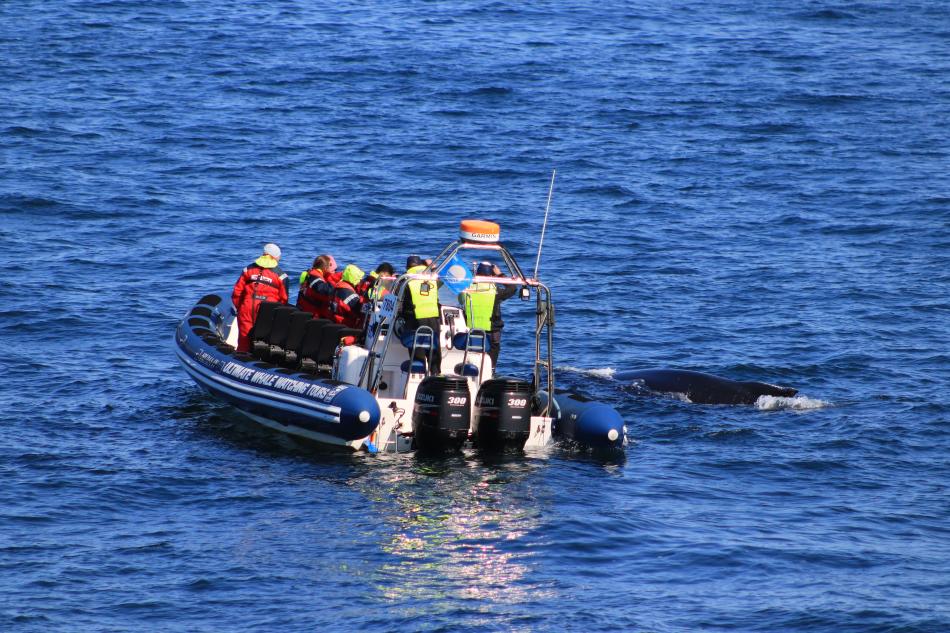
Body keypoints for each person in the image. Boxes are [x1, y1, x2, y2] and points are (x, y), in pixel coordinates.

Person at [458, 261, 518, 367]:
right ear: (491, 276)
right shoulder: (494, 291)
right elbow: (512, 288)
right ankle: (490, 370)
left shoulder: (466, 290)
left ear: (476, 274)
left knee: (473, 353)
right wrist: (500, 275)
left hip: (472, 329)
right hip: (492, 330)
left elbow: (460, 300)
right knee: (493, 353)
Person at [231, 243, 289, 352]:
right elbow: (284, 299)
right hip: (268, 311)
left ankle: (242, 359)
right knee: (265, 341)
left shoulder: (247, 270)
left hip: (246, 309)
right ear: (276, 257)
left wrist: (240, 307)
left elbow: (237, 292)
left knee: (244, 340)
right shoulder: (281, 276)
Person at [400, 254, 442, 373]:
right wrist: (432, 267)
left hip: (414, 320)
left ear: (407, 266)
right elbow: (440, 282)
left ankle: (418, 379)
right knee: (434, 353)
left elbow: (398, 298)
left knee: (417, 355)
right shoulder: (431, 276)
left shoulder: (405, 278)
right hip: (433, 319)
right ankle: (435, 376)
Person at [296, 254, 340, 319]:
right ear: (325, 267)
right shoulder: (315, 276)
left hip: (302, 310)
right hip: (312, 316)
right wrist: (334, 280)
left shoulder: (308, 274)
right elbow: (323, 290)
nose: (334, 272)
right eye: (334, 270)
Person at [330, 264, 366, 330]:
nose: (360, 281)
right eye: (359, 279)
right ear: (355, 279)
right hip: (347, 327)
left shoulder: (337, 288)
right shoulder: (351, 296)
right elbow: (361, 312)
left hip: (334, 323)